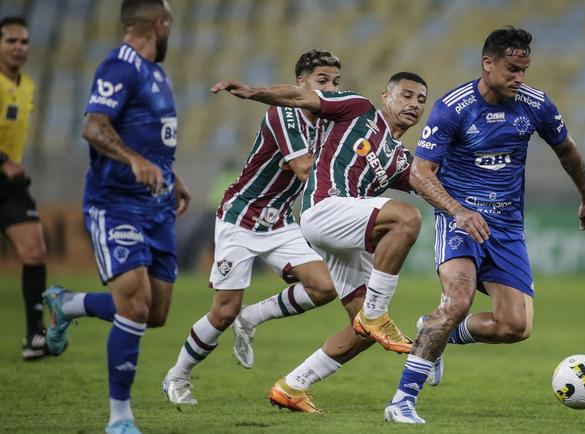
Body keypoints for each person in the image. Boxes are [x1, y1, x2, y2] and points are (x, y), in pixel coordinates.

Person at [384, 26, 585, 424]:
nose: (520, 77)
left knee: (515, 326)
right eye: (512, 68)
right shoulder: (454, 107)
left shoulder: (536, 105)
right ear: (488, 63)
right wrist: (458, 211)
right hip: (460, 220)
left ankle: (434, 332)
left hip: (506, 228)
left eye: (524, 69)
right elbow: (420, 172)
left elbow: (566, 150)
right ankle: (402, 401)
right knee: (459, 300)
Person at [211, 71, 429, 412]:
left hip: (346, 232)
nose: (414, 104)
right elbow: (301, 98)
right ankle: (376, 314)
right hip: (325, 208)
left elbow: (434, 183)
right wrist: (254, 91)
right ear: (385, 96)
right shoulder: (359, 109)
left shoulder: (400, 158)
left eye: (421, 100)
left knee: (364, 332)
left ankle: (292, 386)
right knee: (407, 218)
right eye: (407, 95)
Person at [160, 49, 342, 405]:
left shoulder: (326, 121)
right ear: (300, 83)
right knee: (223, 310)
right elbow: (306, 170)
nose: (330, 89)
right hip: (241, 218)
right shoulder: (283, 114)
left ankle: (253, 317)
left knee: (323, 287)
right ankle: (176, 376)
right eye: (322, 81)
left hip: (279, 220)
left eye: (336, 83)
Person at [42, 1, 190, 433]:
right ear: (157, 25)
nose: (170, 31)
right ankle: (120, 419)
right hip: (116, 203)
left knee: (156, 312)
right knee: (136, 302)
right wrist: (132, 160)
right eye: (168, 24)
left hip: (158, 205)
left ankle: (66, 303)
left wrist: (170, 175)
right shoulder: (119, 65)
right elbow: (93, 125)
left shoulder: (155, 72)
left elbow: (147, 135)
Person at [0, 16, 49, 360]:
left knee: (35, 251)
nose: (19, 48)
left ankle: (34, 336)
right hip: (4, 170)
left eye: (24, 42)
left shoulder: (27, 85)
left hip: (10, 183)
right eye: (11, 41)